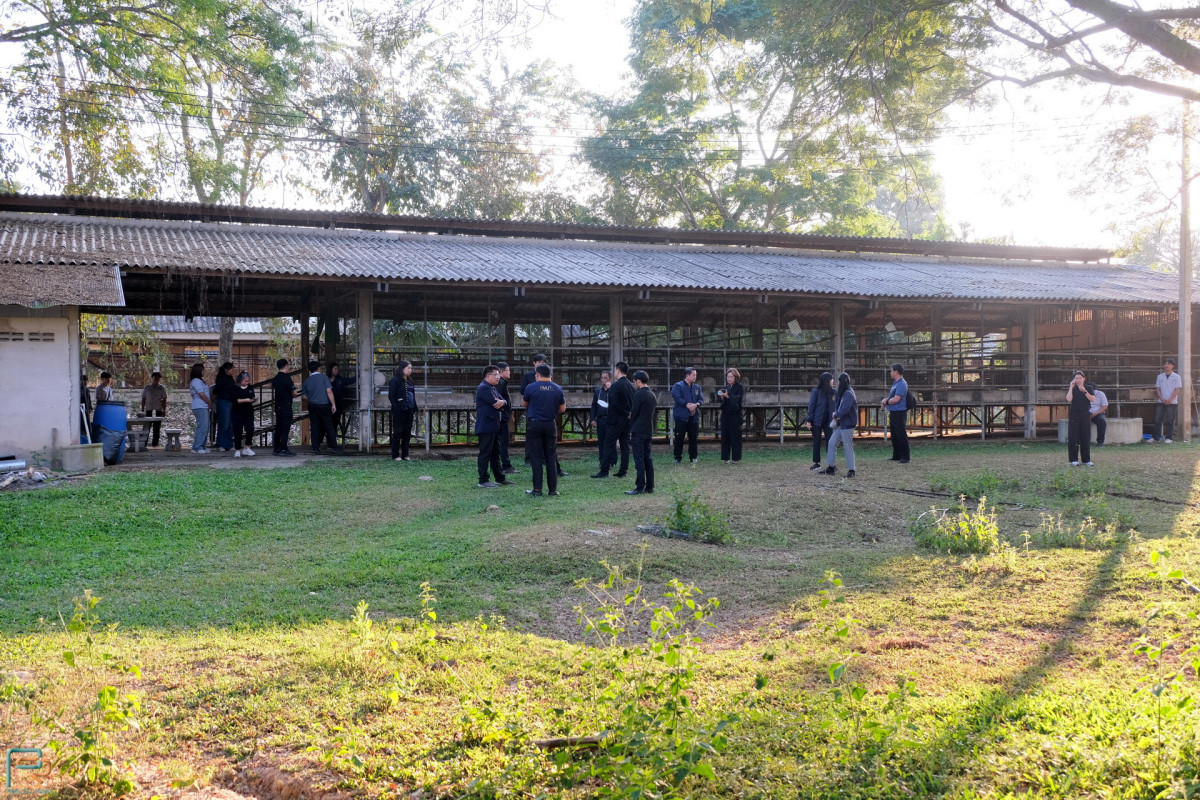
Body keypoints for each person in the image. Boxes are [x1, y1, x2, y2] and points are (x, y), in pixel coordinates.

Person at [523, 363, 566, 497]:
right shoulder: (558, 388)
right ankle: (552, 490)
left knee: (535, 457)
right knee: (551, 456)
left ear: (537, 375)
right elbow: (562, 409)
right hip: (550, 424)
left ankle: (537, 489)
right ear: (550, 375)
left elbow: (524, 403)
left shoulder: (531, 387)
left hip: (534, 425)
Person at [593, 361, 633, 478]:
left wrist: (624, 413)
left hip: (617, 420)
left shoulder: (616, 386)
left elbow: (615, 404)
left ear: (618, 371)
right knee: (625, 445)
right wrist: (629, 413)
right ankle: (623, 471)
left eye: (615, 370)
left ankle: (604, 470)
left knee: (608, 443)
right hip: (627, 420)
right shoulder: (631, 385)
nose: (614, 372)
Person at [475, 365, 510, 488]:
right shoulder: (483, 388)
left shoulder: (492, 387)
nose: (498, 377)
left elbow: (504, 401)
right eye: (496, 375)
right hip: (486, 426)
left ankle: (499, 478)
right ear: (488, 376)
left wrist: (503, 402)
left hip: (494, 426)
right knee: (485, 453)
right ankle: (483, 480)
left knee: (496, 453)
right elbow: (495, 402)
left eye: (498, 375)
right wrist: (501, 402)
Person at [625, 370, 656, 495]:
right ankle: (650, 486)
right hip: (648, 430)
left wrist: (630, 423)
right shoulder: (652, 395)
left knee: (639, 460)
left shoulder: (638, 394)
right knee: (648, 458)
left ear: (638, 381)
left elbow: (634, 412)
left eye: (634, 381)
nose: (634, 384)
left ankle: (639, 487)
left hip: (638, 431)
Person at [303, 360, 342, 455]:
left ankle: (315, 447)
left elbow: (304, 396)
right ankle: (334, 447)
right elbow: (329, 391)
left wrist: (312, 398)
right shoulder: (324, 377)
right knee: (329, 425)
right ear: (318, 368)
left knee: (314, 426)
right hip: (324, 404)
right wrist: (333, 404)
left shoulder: (306, 381)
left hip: (312, 405)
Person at [825, 372, 858, 477]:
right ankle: (831, 467)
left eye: (839, 381)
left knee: (848, 446)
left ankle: (851, 470)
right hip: (841, 424)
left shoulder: (848, 393)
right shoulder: (844, 392)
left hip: (847, 424)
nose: (837, 383)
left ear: (842, 382)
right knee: (831, 443)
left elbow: (845, 409)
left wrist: (836, 415)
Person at [671, 367, 704, 463]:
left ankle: (693, 457)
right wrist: (687, 405)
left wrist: (696, 405)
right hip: (681, 416)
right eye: (693, 375)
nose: (695, 377)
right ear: (687, 375)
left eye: (696, 375)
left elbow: (701, 399)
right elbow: (677, 398)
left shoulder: (697, 387)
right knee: (679, 437)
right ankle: (677, 457)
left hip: (693, 417)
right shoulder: (678, 386)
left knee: (693, 438)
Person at [388, 360, 418, 461]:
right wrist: (396, 407)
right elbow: (391, 396)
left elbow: (412, 394)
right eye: (408, 368)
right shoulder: (395, 380)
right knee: (398, 432)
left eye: (411, 368)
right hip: (400, 410)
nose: (410, 370)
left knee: (407, 433)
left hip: (409, 409)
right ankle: (395, 455)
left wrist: (414, 407)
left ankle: (405, 455)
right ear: (402, 368)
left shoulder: (410, 381)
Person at [805, 372, 835, 471]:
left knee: (830, 443)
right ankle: (816, 463)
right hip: (817, 421)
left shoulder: (834, 392)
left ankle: (831, 464)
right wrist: (809, 420)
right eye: (831, 379)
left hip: (829, 422)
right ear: (827, 380)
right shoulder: (816, 392)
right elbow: (811, 406)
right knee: (816, 442)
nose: (833, 381)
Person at [881, 363, 909, 463]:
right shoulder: (895, 383)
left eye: (891, 371)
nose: (890, 373)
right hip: (893, 411)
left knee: (901, 434)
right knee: (894, 435)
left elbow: (896, 399)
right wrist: (886, 401)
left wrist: (887, 401)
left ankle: (905, 457)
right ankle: (897, 455)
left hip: (899, 412)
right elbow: (892, 397)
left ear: (896, 372)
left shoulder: (902, 384)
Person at [1066, 370, 1095, 466]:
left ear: (1084, 378)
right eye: (1076, 378)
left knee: (1085, 436)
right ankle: (1073, 459)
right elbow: (1069, 399)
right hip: (1074, 414)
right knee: (1073, 437)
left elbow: (1093, 399)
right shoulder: (1073, 388)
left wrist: (1084, 391)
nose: (1078, 380)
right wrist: (1071, 387)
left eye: (1080, 378)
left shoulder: (1089, 388)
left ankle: (1086, 460)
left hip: (1085, 414)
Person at [271, 358, 298, 456]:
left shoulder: (275, 379)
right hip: (286, 405)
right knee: (285, 428)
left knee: (278, 427)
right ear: (286, 366)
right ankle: (284, 448)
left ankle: (276, 448)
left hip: (278, 406)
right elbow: (294, 392)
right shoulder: (287, 379)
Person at [1152, 358, 1182, 443]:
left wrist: (1169, 400)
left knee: (1170, 421)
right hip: (1161, 402)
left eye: (1168, 364)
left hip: (1172, 402)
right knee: (1157, 420)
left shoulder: (1176, 377)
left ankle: (1169, 438)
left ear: (1172, 366)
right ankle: (1155, 438)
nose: (1166, 365)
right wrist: (1162, 398)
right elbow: (1158, 389)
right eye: (1165, 364)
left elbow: (1177, 389)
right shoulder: (1160, 376)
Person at [718, 368, 745, 463]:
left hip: (736, 415)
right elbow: (721, 401)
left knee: (735, 436)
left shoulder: (740, 387)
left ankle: (736, 458)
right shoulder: (725, 387)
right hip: (725, 414)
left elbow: (737, 400)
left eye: (731, 377)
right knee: (725, 436)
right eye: (728, 376)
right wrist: (721, 397)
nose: (729, 378)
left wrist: (728, 396)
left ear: (736, 377)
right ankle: (726, 458)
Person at [496, 362, 517, 474]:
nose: (510, 373)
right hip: (501, 417)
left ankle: (504, 465)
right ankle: (505, 465)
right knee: (503, 441)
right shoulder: (500, 383)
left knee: (502, 441)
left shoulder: (502, 382)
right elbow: (497, 399)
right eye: (508, 370)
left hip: (503, 416)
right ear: (501, 372)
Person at [329, 362, 356, 445]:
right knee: (328, 423)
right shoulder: (325, 379)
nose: (337, 370)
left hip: (338, 404)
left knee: (335, 423)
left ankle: (332, 442)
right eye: (335, 369)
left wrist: (358, 375)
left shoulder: (340, 379)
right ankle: (329, 442)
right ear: (330, 370)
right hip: (327, 405)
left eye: (337, 369)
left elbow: (350, 381)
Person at [188, 363, 212, 454]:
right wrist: (209, 402)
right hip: (200, 406)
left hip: (203, 406)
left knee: (205, 426)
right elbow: (201, 394)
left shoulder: (200, 381)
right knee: (202, 426)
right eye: (203, 370)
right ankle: (197, 446)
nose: (204, 371)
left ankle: (202, 446)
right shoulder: (196, 381)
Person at [231, 370, 256, 457]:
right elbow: (235, 400)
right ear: (240, 380)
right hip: (237, 412)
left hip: (248, 411)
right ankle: (237, 449)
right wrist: (245, 400)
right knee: (238, 430)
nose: (246, 383)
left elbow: (252, 396)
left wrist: (252, 400)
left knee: (250, 428)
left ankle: (247, 446)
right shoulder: (235, 388)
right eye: (245, 381)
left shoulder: (250, 387)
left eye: (248, 381)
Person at [140, 371, 168, 447]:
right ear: (152, 378)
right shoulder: (147, 387)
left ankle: (155, 445)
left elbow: (164, 400)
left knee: (156, 429)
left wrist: (164, 411)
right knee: (146, 428)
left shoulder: (162, 388)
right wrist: (142, 410)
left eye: (158, 378)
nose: (157, 380)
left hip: (158, 410)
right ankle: (143, 444)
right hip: (149, 410)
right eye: (155, 378)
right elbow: (143, 398)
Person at [213, 361, 237, 451]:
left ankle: (228, 444)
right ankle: (220, 444)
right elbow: (216, 390)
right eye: (231, 369)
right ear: (226, 370)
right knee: (224, 424)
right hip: (224, 402)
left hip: (231, 402)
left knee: (231, 424)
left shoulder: (230, 378)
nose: (233, 370)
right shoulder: (222, 379)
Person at [590, 370, 612, 463]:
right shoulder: (598, 391)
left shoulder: (613, 390)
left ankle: (611, 461)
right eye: (602, 378)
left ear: (610, 379)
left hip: (610, 420)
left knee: (610, 441)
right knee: (601, 441)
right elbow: (594, 405)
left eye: (605, 378)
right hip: (600, 419)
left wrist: (611, 389)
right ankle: (602, 461)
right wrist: (592, 419)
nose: (603, 380)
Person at [1086, 381, 1108, 447]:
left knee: (1102, 422)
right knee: (1081, 423)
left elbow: (1105, 406)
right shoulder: (1083, 394)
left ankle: (1100, 442)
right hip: (1086, 413)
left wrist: (1095, 414)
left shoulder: (1100, 394)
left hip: (1098, 413)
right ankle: (1084, 441)